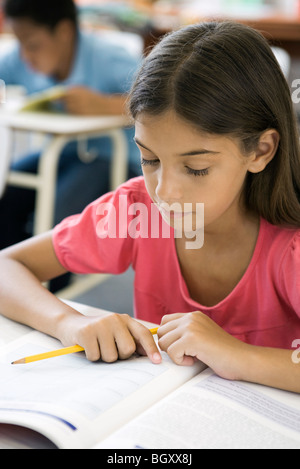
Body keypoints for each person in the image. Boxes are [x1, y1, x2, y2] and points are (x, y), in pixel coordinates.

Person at [0, 21, 299, 393]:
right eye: (150, 159)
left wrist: (237, 354)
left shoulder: (290, 246)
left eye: (196, 168)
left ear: (261, 150)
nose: (166, 192)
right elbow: (6, 266)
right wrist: (68, 322)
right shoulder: (137, 212)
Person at [0, 0, 141, 251]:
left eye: (32, 45)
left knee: (59, 214)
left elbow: (163, 101)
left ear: (64, 31)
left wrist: (105, 105)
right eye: (19, 43)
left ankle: (53, 286)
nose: (25, 55)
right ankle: (11, 274)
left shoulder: (109, 58)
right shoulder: (19, 58)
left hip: (114, 158)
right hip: (65, 152)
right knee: (7, 194)